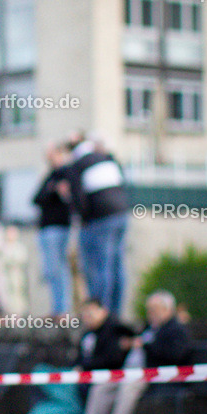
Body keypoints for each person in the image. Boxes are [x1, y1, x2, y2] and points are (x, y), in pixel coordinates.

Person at [76, 291, 191, 414]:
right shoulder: (148, 327)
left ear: (167, 310)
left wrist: (146, 346)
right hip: (134, 372)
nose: (150, 314)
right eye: (149, 310)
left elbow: (175, 355)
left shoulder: (176, 329)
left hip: (158, 375)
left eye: (154, 309)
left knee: (128, 387)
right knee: (101, 387)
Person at [64, 134, 130, 315]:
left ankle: (100, 312)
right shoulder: (106, 158)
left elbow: (78, 200)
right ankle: (115, 311)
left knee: (100, 267)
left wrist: (83, 219)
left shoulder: (75, 167)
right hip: (121, 214)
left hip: (100, 219)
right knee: (117, 265)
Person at [33, 142, 73, 315]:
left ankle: (61, 309)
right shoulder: (51, 175)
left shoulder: (64, 174)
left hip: (57, 228)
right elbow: (37, 198)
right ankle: (59, 308)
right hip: (49, 227)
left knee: (57, 270)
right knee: (52, 270)